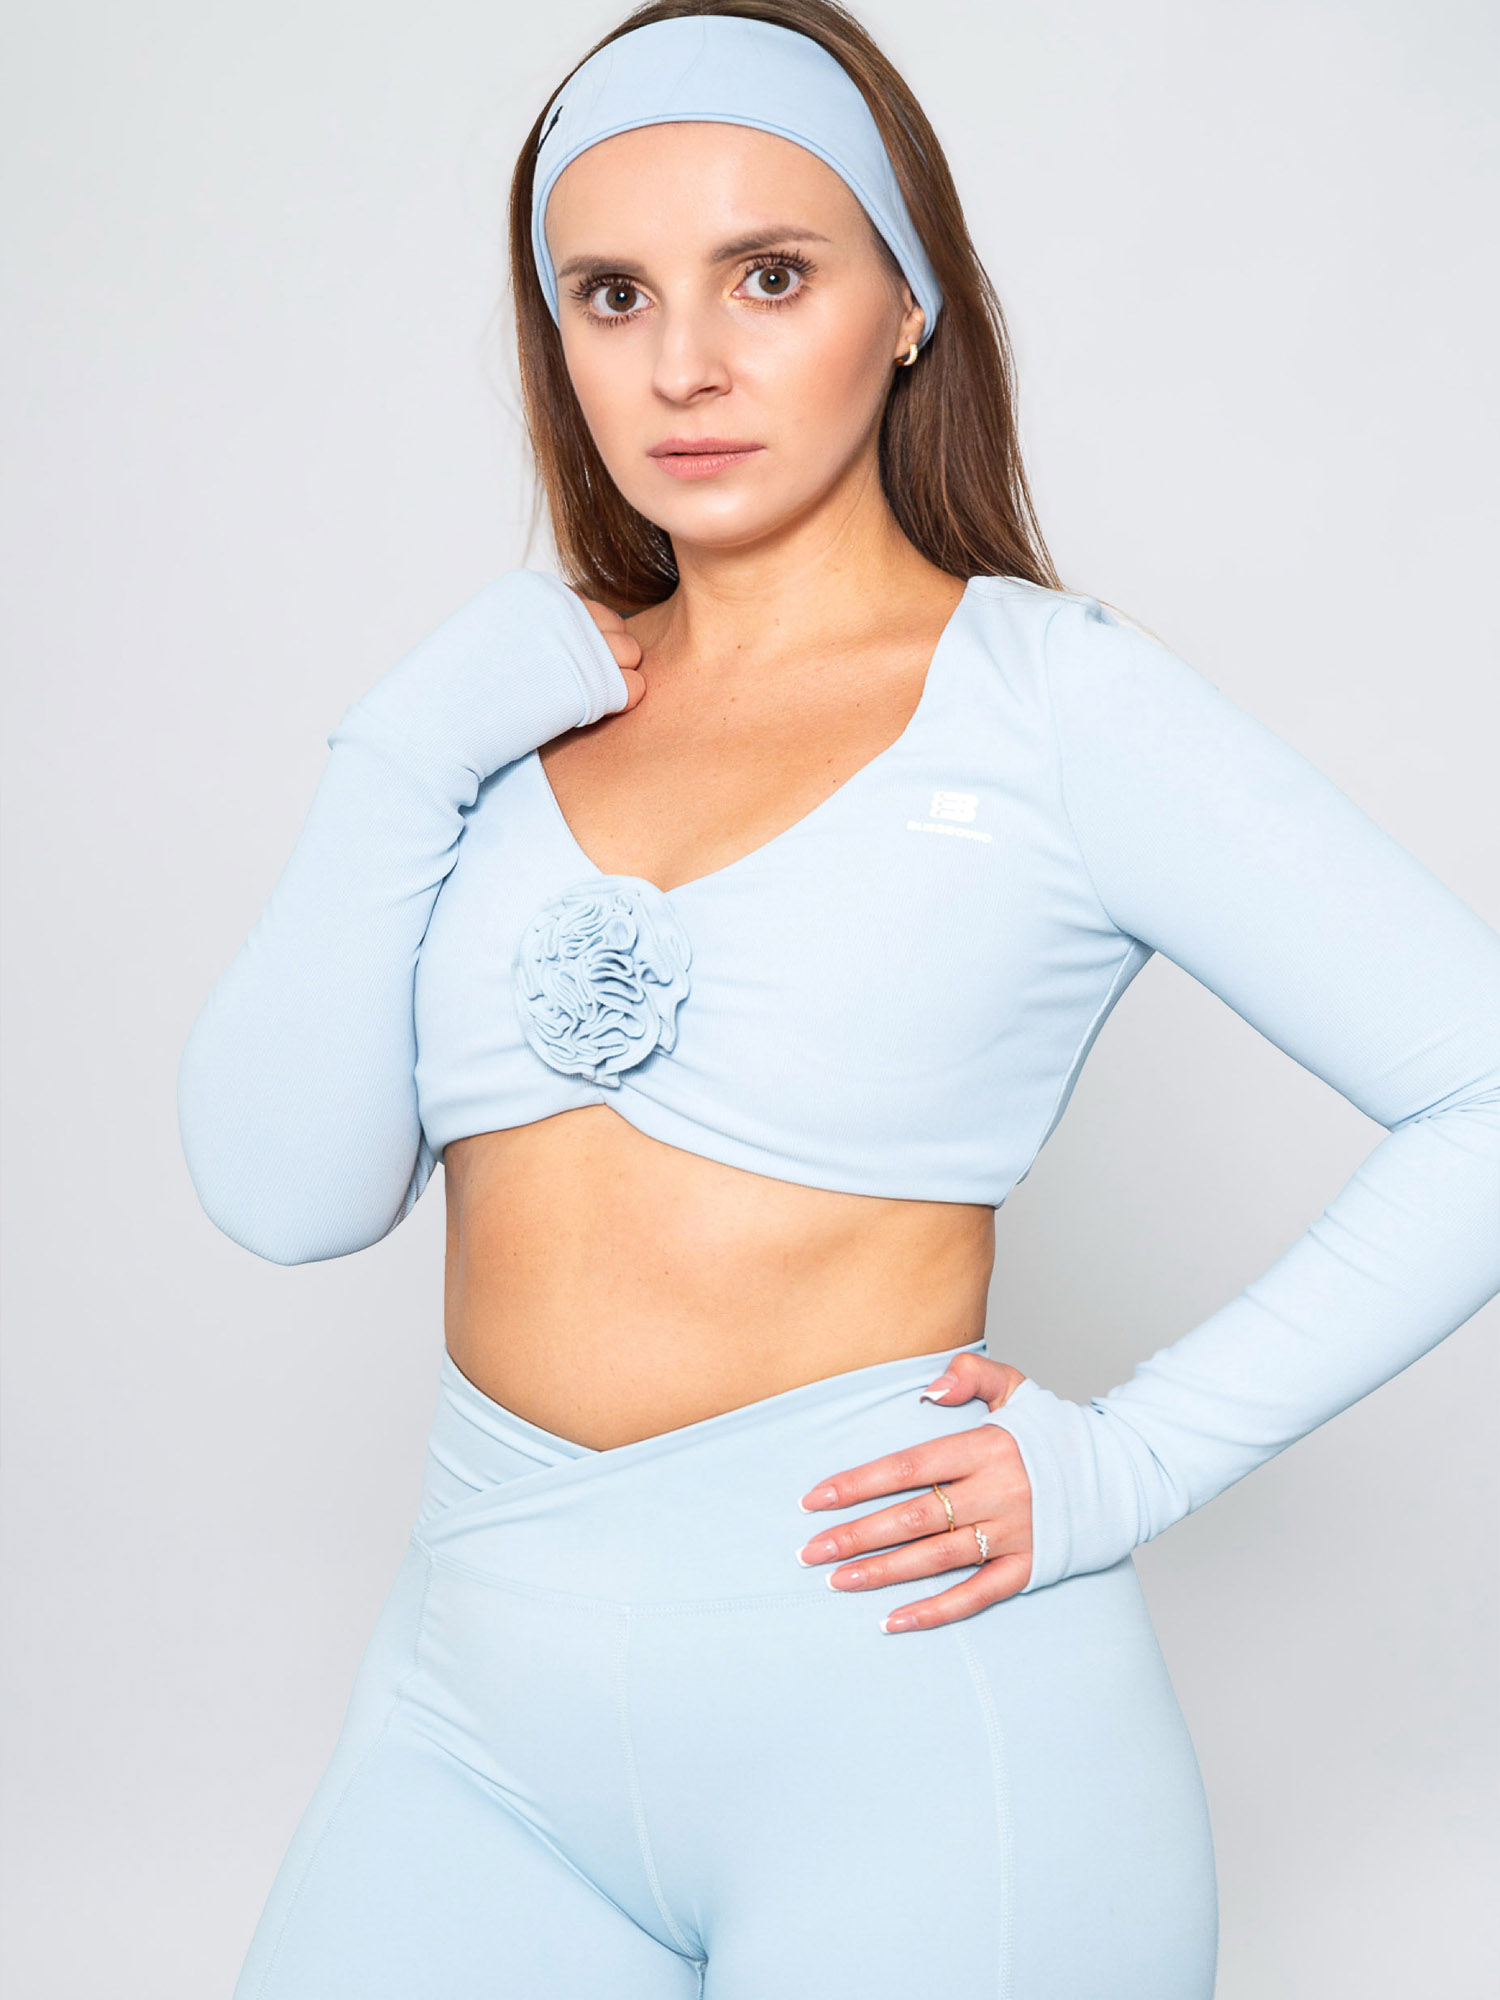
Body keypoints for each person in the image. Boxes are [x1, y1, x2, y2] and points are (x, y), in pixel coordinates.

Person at [176, 5, 1500, 1996]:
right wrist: (396, 754)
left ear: (909, 305)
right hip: (468, 1738)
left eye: (771, 276)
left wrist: (1133, 1461)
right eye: (611, 294)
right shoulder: (504, 724)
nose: (683, 365)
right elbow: (284, 1194)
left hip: (920, 1735)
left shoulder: (1055, 704)